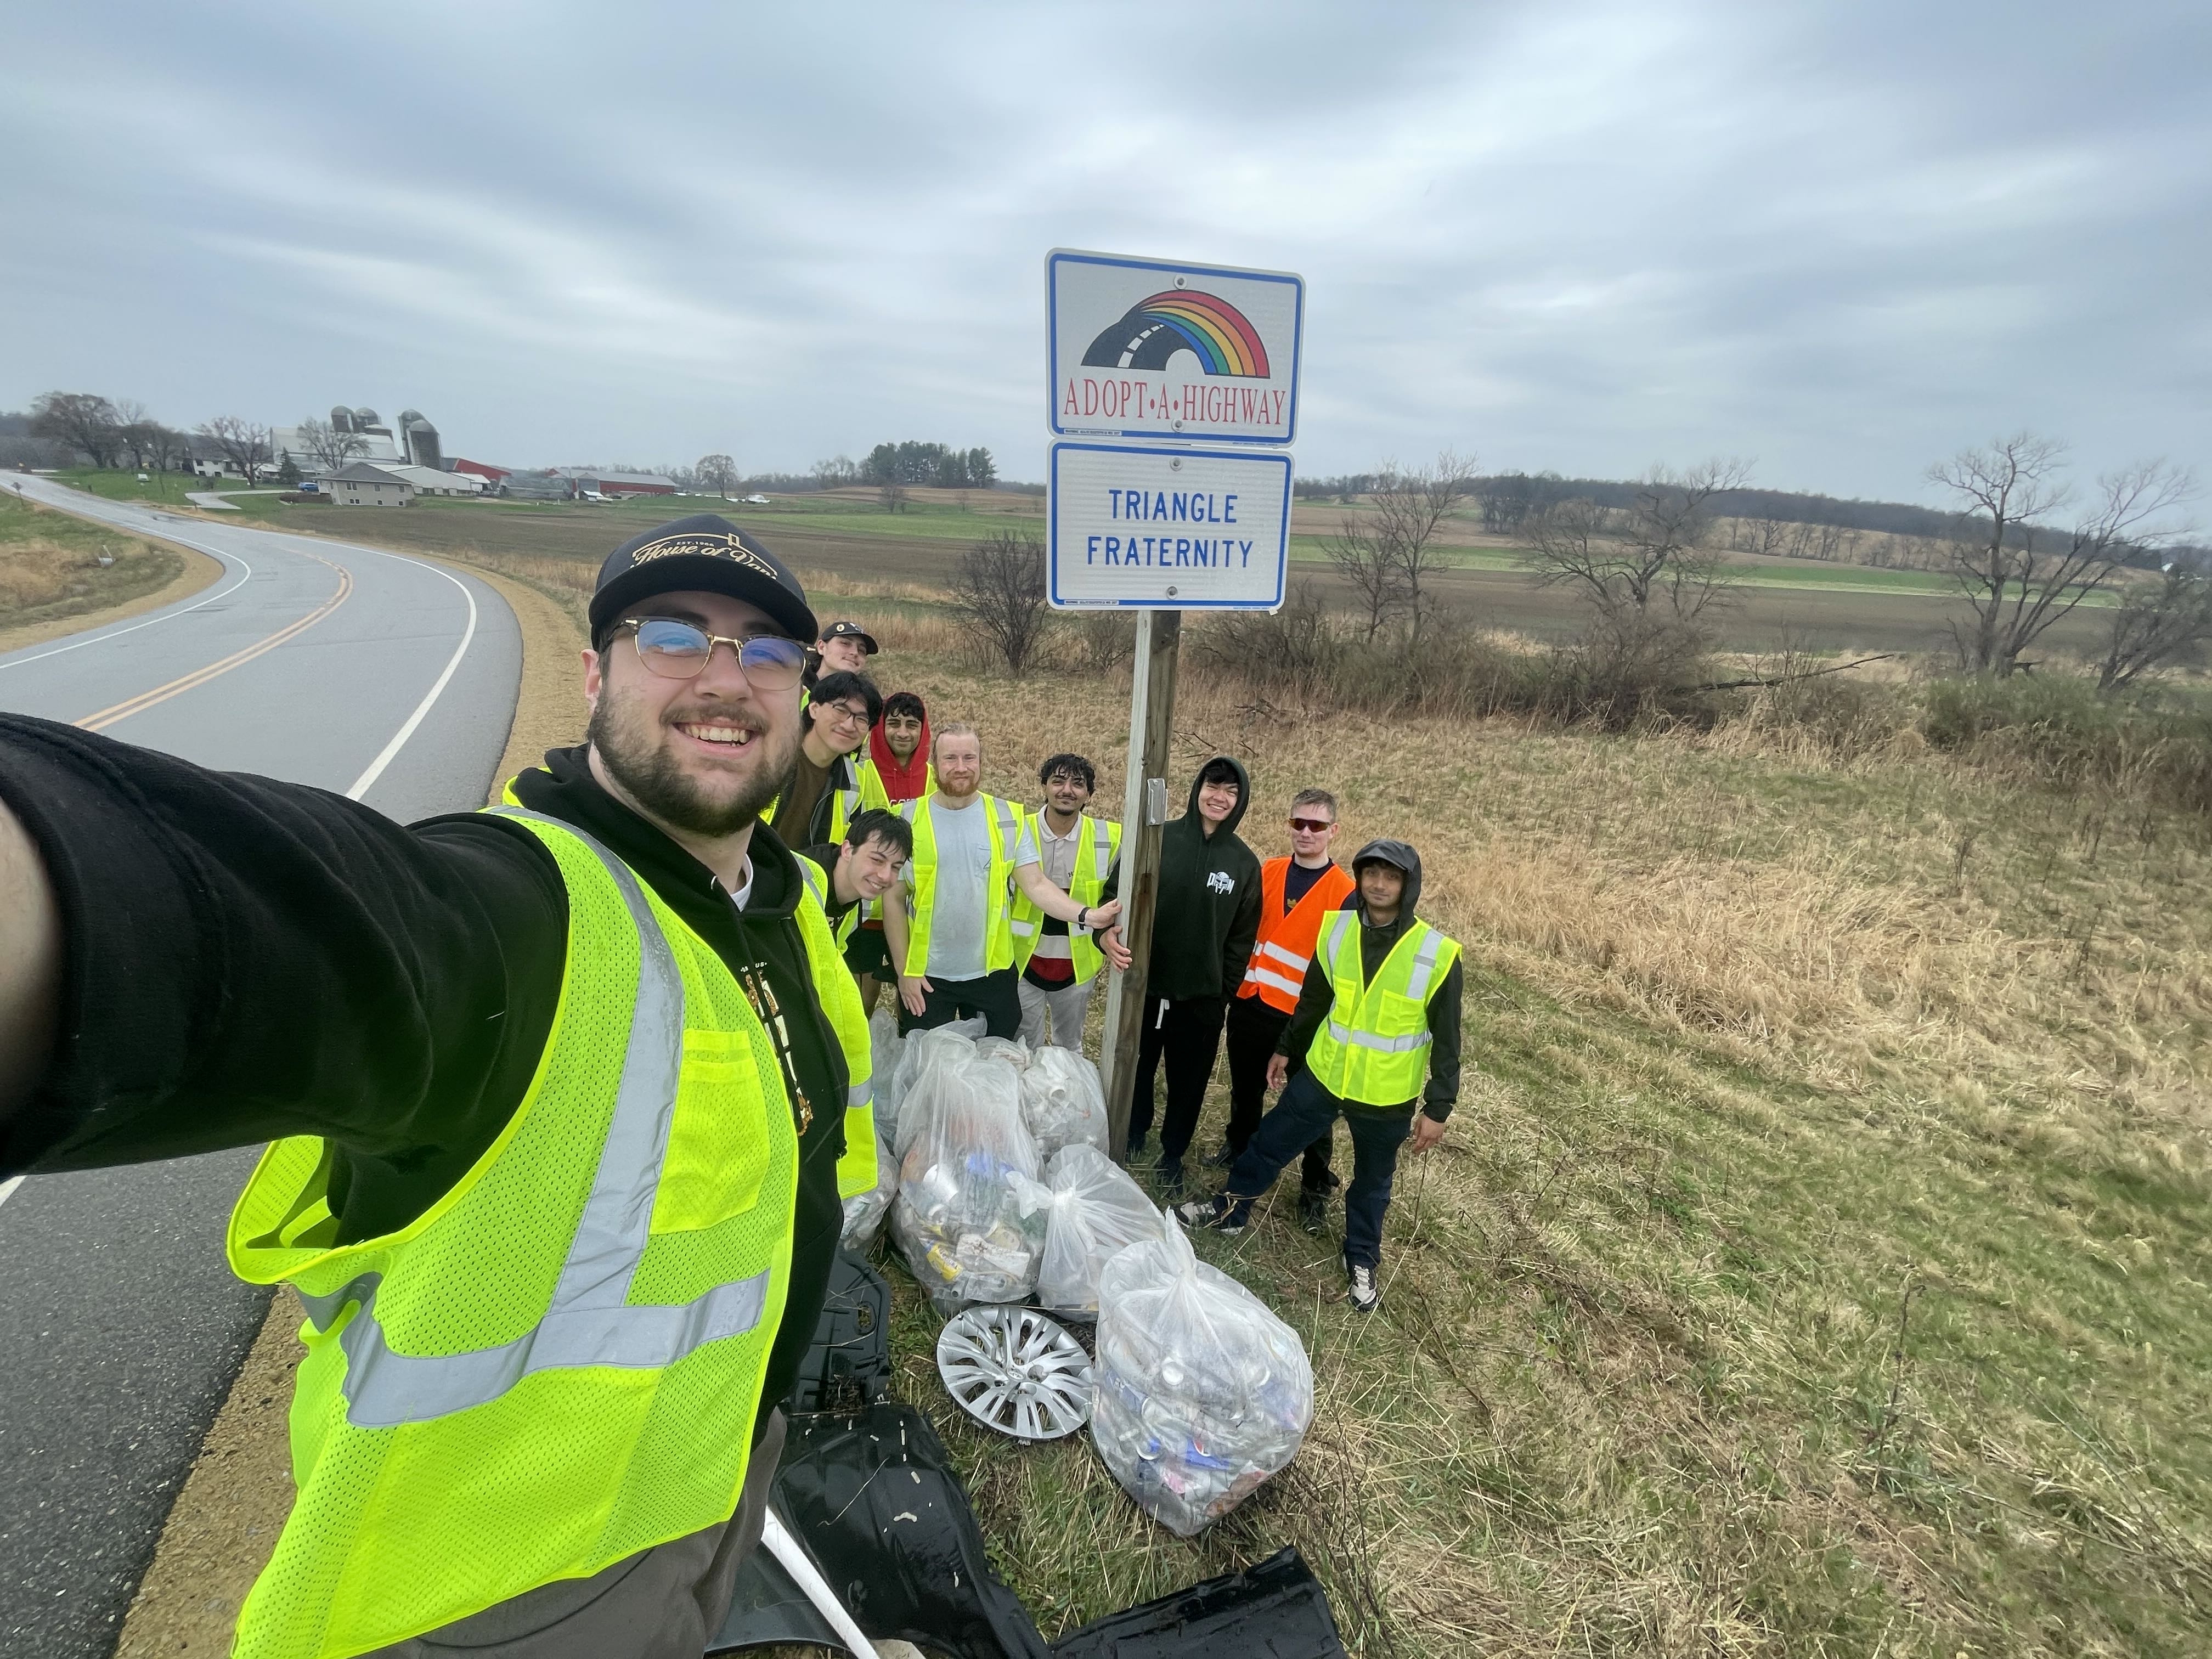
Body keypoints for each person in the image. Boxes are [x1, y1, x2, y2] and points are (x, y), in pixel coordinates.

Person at [0, 512, 881, 1658]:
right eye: (676, 636)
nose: (728, 680)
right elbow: (252, 906)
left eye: (766, 651)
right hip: (497, 1593)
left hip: (711, 1476)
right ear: (592, 671)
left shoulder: (779, 905)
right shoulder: (520, 913)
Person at [1176, 840, 1463, 1314]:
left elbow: (1448, 1038)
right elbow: (1312, 1001)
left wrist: (1439, 1108)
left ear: (1408, 886)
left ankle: (1362, 1259)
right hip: (1325, 1076)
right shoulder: (1336, 930)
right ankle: (1230, 1208)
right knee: (1268, 1143)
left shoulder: (1437, 953)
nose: (1378, 884)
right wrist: (1287, 1051)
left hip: (1386, 1095)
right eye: (1371, 874)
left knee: (1373, 1183)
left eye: (1391, 877)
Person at [883, 724, 1126, 1040]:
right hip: (928, 976)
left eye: (970, 758)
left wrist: (1088, 916)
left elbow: (1036, 884)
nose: (961, 768)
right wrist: (904, 972)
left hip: (993, 976)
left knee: (994, 1070)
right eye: (950, 758)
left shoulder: (1007, 818)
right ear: (933, 763)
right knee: (926, 1068)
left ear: (982, 762)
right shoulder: (906, 819)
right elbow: (893, 899)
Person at [1105, 756, 1261, 1193]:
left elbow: (1242, 938)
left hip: (1202, 1000)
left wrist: (1222, 992)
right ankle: (1132, 1132)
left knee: (1188, 1081)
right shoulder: (1159, 839)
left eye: (1231, 792)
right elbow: (1113, 895)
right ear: (1197, 789)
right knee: (1136, 1067)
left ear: (1240, 801)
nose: (1220, 797)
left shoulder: (1243, 864)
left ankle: (1173, 1152)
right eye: (1214, 786)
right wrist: (1108, 937)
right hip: (1146, 988)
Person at [1218, 788, 1356, 1233]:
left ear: (1333, 831)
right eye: (1299, 823)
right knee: (1245, 1089)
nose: (1306, 832)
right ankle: (1238, 1152)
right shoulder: (1270, 871)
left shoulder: (1345, 893)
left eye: (1316, 825)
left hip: (1304, 1019)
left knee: (1311, 1108)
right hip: (1251, 1001)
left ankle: (1315, 1188)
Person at [1009, 753, 1122, 1053]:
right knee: (1023, 1047)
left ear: (1089, 794)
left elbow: (1118, 896)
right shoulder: (1018, 831)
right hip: (1022, 962)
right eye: (1058, 781)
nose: (1067, 790)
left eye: (1077, 784)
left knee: (1069, 1047)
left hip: (1077, 965)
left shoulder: (1110, 838)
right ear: (1044, 787)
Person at [767, 668, 887, 848]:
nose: (849, 725)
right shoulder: (768, 754)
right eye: (840, 710)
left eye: (861, 719)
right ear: (814, 709)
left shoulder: (857, 783)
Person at [797, 807, 913, 958]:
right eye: (877, 860)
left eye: (896, 867)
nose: (885, 876)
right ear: (847, 850)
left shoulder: (859, 897)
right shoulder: (799, 882)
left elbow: (829, 960)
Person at [860, 690, 932, 804]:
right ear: (881, 727)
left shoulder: (938, 779)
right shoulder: (858, 776)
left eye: (911, 725)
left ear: (923, 731)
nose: (902, 734)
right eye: (894, 724)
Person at [805, 619, 877, 689]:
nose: (855, 653)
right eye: (845, 643)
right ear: (822, 647)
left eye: (862, 650)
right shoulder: (796, 682)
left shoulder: (867, 699)